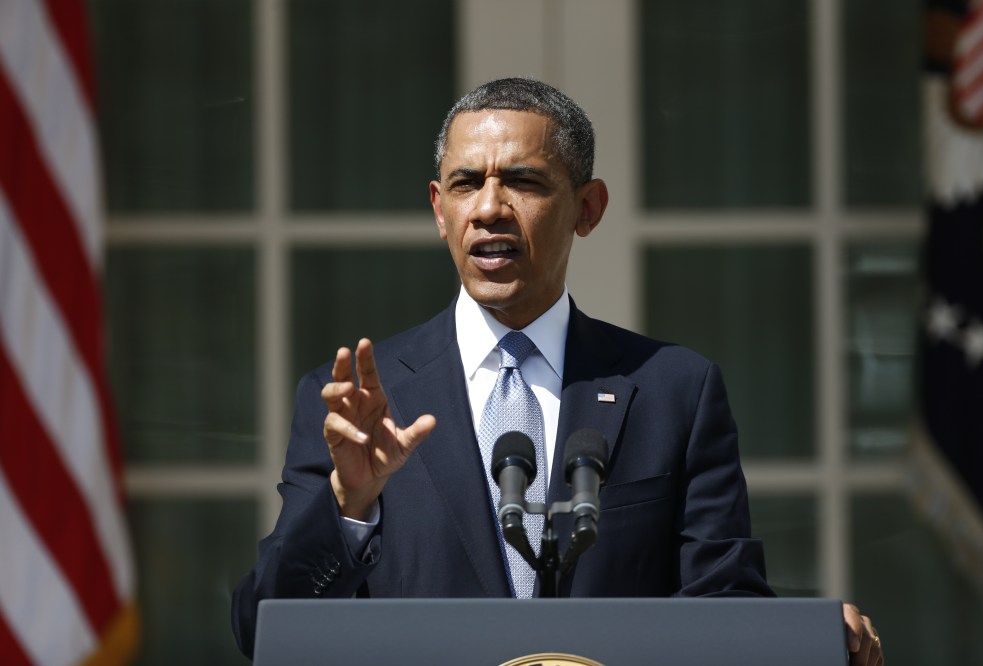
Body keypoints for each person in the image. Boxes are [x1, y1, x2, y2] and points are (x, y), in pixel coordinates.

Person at [231, 78, 883, 665]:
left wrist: (812, 638)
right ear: (438, 209)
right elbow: (264, 631)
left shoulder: (673, 391)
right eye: (465, 183)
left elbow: (723, 603)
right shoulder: (357, 404)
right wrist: (349, 508)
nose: (488, 207)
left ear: (588, 208)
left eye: (523, 181)